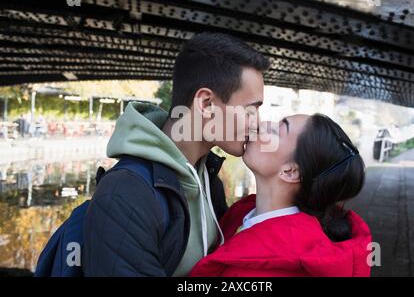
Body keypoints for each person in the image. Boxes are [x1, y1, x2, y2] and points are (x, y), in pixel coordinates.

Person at [82, 32, 270, 276]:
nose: (258, 123)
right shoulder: (124, 196)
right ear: (206, 104)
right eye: (250, 110)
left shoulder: (208, 181)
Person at [190, 114, 372, 277]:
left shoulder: (277, 267)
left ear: (290, 171)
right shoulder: (244, 212)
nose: (262, 124)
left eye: (277, 130)